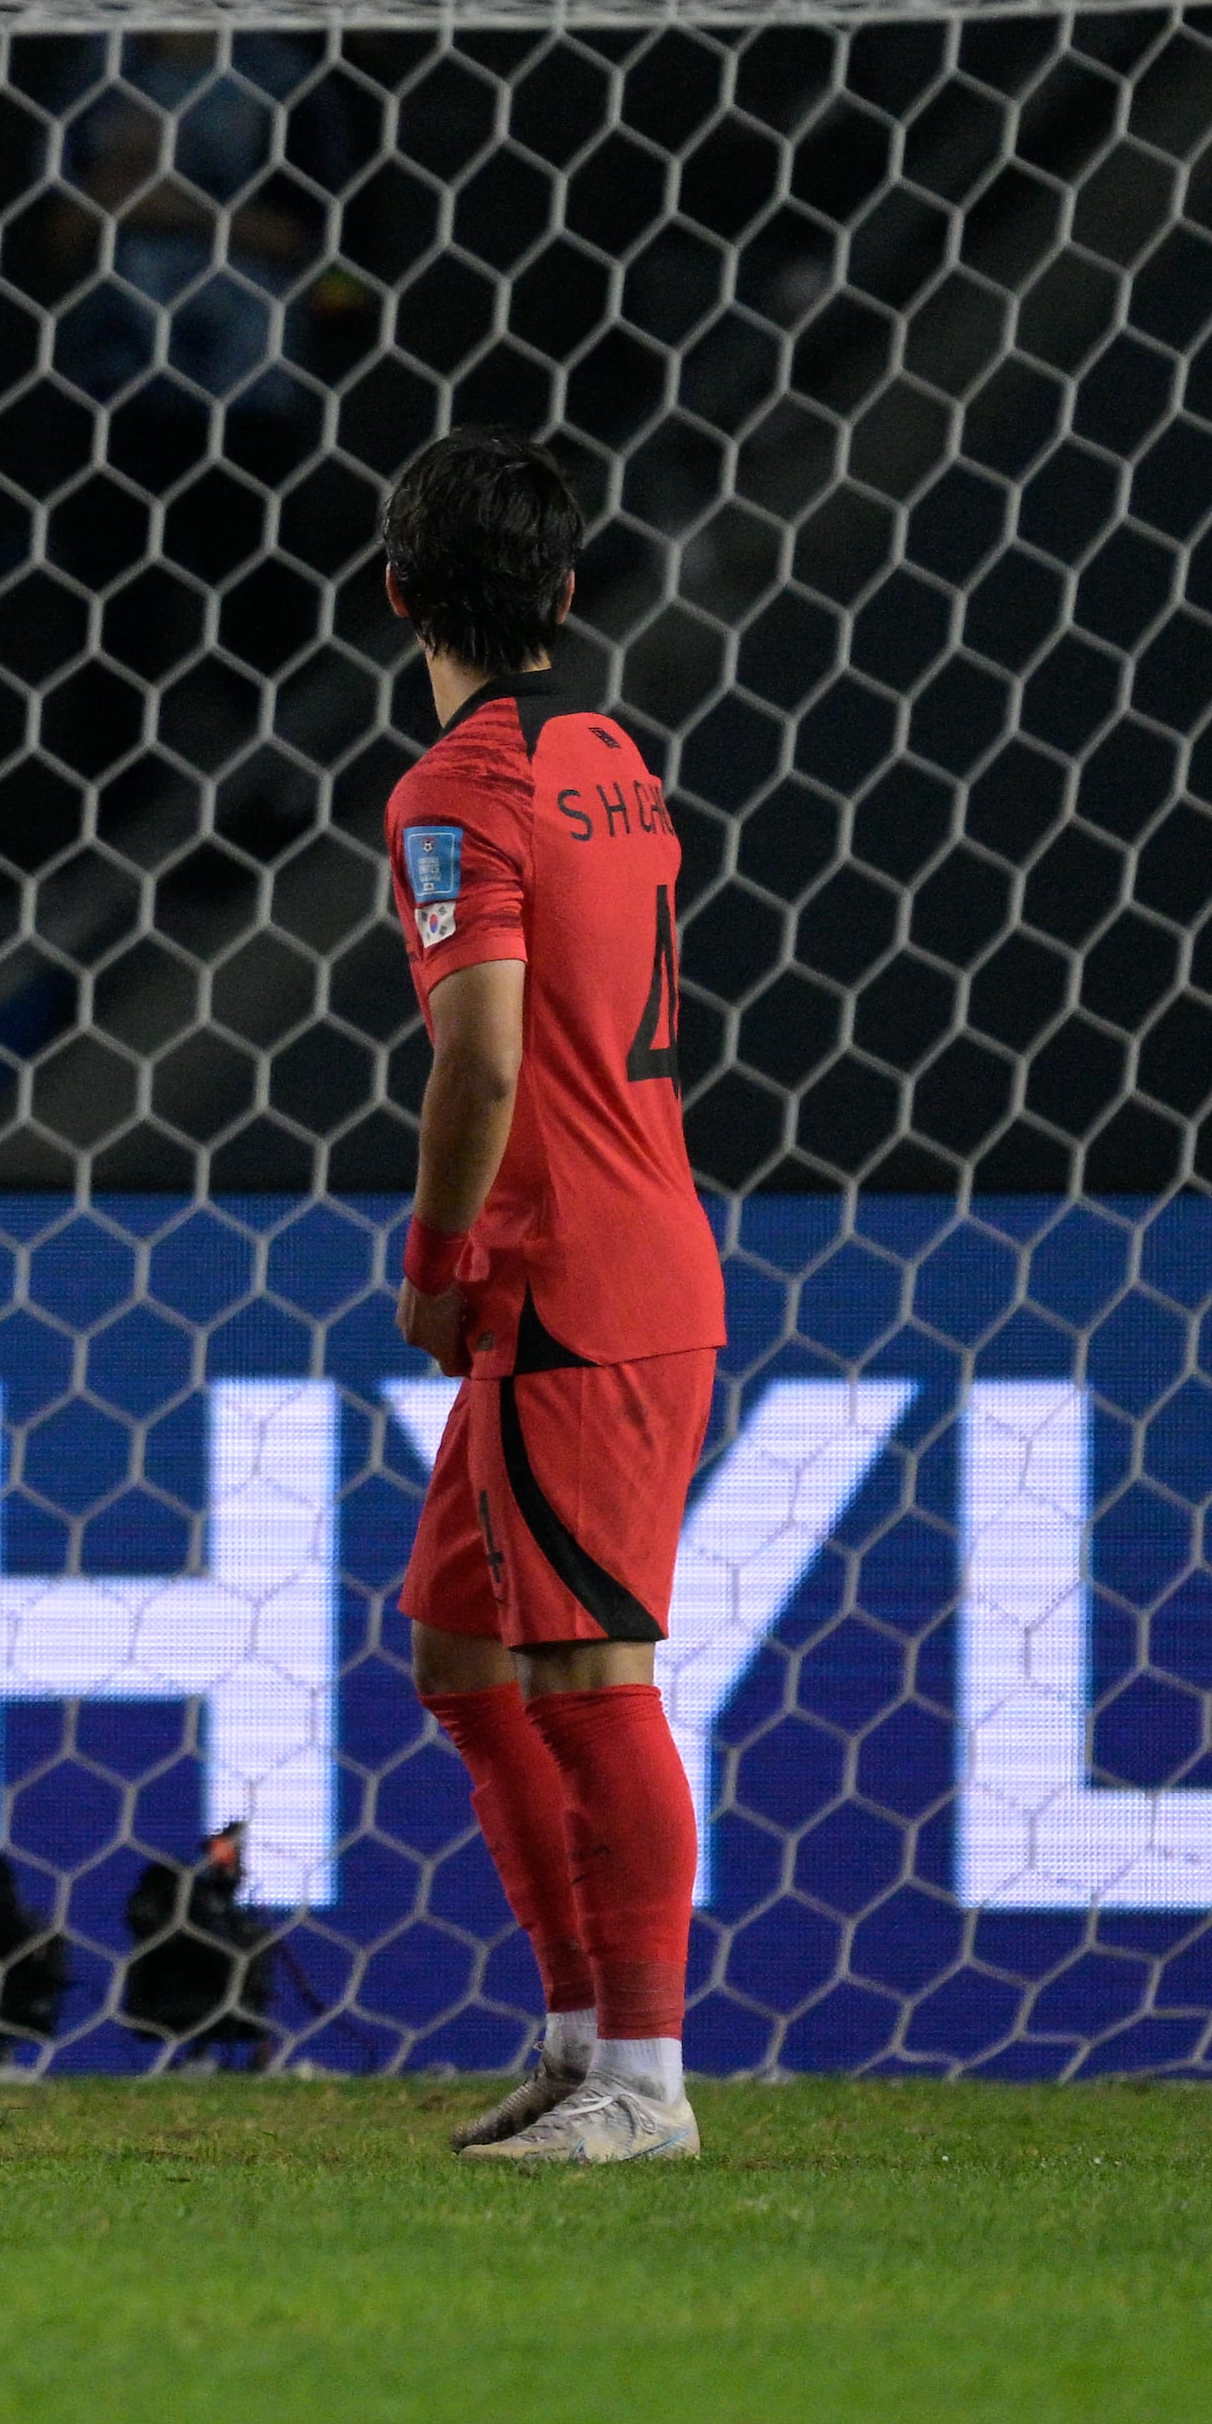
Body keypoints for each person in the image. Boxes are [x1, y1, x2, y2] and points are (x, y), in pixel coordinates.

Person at [376, 423, 724, 2168]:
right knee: (462, 1645)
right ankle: (585, 2030)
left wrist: (436, 1258)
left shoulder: (455, 790)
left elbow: (486, 1056)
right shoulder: (612, 755)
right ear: (568, 592)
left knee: (593, 1672)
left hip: (570, 1281)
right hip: (624, 1251)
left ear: (397, 595)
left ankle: (647, 2085)